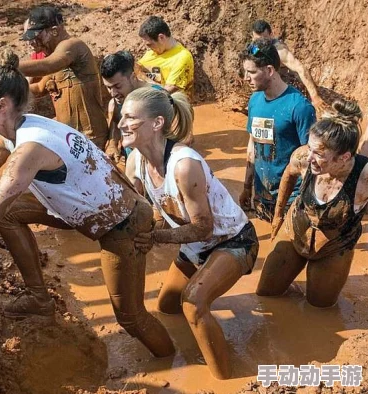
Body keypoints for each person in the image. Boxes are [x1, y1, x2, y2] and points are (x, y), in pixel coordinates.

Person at [0, 52, 175, 358]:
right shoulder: (13, 130)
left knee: (131, 318)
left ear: (2, 105)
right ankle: (39, 300)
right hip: (87, 211)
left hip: (123, 224)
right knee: (10, 214)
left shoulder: (30, 147)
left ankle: (174, 361)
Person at [123, 87, 259, 379]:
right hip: (196, 246)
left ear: (157, 123)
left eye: (130, 118)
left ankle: (227, 380)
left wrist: (155, 237)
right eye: (122, 116)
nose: (121, 124)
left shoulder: (184, 165)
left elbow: (203, 227)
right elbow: (145, 211)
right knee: (167, 307)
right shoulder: (135, 161)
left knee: (193, 303)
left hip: (234, 241)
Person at [257, 100, 368, 307]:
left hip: (335, 247)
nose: (309, 157)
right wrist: (278, 217)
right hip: (294, 230)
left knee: (320, 309)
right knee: (266, 294)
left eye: (318, 153)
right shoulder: (303, 157)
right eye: (310, 148)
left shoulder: (364, 177)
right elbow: (288, 176)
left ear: (343, 157)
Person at [239, 38, 316, 222]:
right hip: (262, 196)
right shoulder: (254, 100)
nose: (245, 78)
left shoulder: (299, 107)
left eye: (251, 72)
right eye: (245, 71)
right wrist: (247, 187)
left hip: (292, 198)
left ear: (270, 70)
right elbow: (252, 146)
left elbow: (310, 158)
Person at [18, 6, 109, 150]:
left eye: (37, 37)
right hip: (69, 137)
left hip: (90, 136)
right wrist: (10, 89)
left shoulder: (72, 46)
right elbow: (40, 88)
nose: (33, 43)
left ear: (54, 31)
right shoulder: (54, 57)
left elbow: (49, 65)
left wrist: (13, 66)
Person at [252, 20, 328, 115]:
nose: (260, 43)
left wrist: (315, 96)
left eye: (264, 39)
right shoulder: (254, 47)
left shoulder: (280, 51)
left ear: (271, 35)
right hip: (265, 87)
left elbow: (301, 69)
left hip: (285, 88)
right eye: (257, 39)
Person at [100, 50, 164, 163]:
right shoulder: (115, 101)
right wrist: (112, 144)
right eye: (108, 87)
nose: (113, 93)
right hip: (133, 164)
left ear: (133, 77)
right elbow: (115, 122)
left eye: (117, 86)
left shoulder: (158, 98)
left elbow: (181, 136)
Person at [137, 16, 194, 97]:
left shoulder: (181, 57)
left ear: (161, 37)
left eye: (150, 44)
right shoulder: (152, 52)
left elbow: (165, 93)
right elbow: (135, 71)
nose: (148, 48)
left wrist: (144, 77)